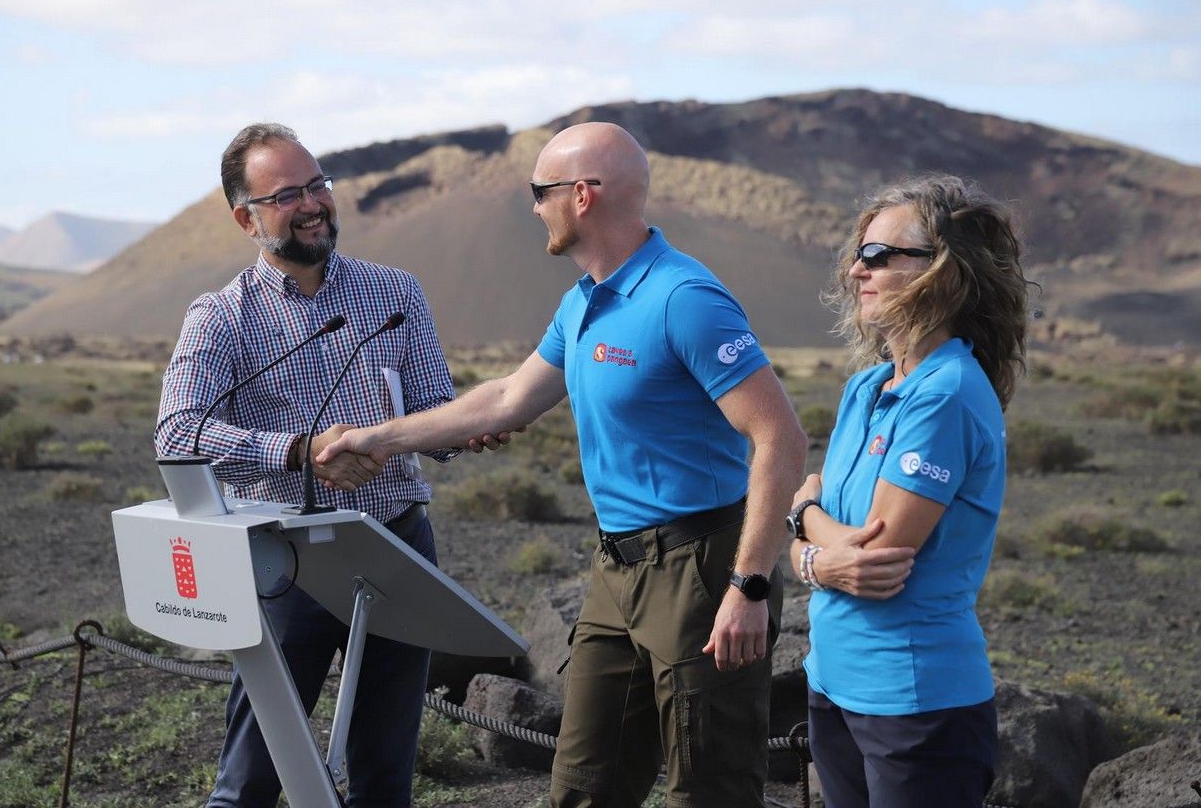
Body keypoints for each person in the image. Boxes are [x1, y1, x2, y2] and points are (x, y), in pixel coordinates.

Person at [317, 121, 808, 808]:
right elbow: (509, 399)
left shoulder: (682, 298)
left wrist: (750, 584)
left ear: (581, 195)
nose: (534, 206)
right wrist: (380, 438)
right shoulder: (582, 303)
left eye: (539, 191)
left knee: (711, 787)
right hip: (617, 572)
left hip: (702, 565)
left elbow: (781, 438)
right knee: (585, 785)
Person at [155, 122, 465, 808]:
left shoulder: (396, 294)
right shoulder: (220, 317)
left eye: (318, 183)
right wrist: (299, 452)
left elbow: (433, 412)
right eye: (288, 193)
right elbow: (177, 432)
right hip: (285, 562)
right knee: (252, 780)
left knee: (385, 781)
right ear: (247, 217)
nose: (313, 202)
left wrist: (462, 428)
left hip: (398, 546)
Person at [784, 175, 1031, 808]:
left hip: (915, 700)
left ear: (944, 273)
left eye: (881, 256)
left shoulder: (945, 392)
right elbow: (846, 551)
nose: (858, 271)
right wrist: (818, 546)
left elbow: (876, 559)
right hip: (834, 681)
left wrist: (804, 518)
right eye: (858, 255)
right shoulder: (866, 389)